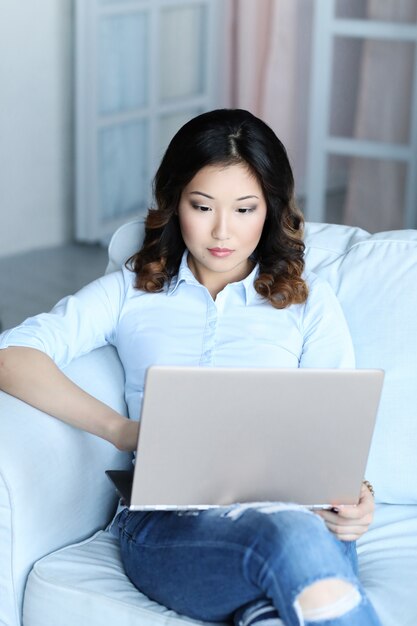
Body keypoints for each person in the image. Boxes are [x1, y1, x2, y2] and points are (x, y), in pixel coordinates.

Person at [0, 109, 380, 626]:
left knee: (290, 559)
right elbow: (12, 356)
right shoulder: (129, 293)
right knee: (291, 543)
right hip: (170, 528)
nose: (222, 231)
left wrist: (357, 498)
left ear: (270, 209)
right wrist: (125, 431)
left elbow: (337, 434)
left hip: (298, 517)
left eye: (245, 209)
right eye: (202, 206)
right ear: (175, 202)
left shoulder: (308, 303)